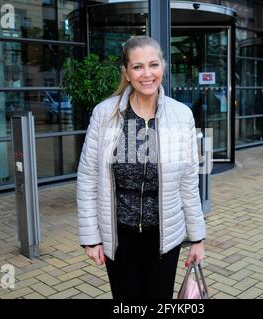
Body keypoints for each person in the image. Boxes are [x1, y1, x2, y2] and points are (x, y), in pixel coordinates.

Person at [77, 36, 206, 299]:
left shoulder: (182, 116)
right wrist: (91, 238)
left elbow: (188, 182)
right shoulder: (105, 114)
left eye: (153, 65)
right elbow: (88, 177)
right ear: (126, 71)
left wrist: (197, 238)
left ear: (163, 68)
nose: (147, 74)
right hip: (119, 236)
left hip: (164, 238)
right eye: (137, 67)